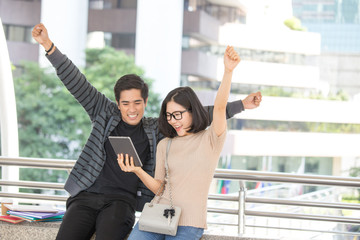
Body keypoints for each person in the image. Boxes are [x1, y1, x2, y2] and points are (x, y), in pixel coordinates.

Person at [32, 23, 261, 240]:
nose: (132, 110)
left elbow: (197, 113)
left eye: (137, 103)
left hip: (120, 202)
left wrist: (240, 105)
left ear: (146, 101)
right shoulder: (103, 112)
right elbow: (77, 82)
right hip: (86, 196)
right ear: (117, 102)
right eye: (125, 103)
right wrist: (48, 46)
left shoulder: (155, 129)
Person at [119, 46, 248, 239]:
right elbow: (159, 188)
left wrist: (228, 71)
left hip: (189, 223)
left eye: (177, 114)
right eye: (169, 115)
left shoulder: (210, 139)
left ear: (192, 111)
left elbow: (220, 108)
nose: (173, 120)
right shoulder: (166, 144)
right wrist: (137, 170)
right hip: (156, 216)